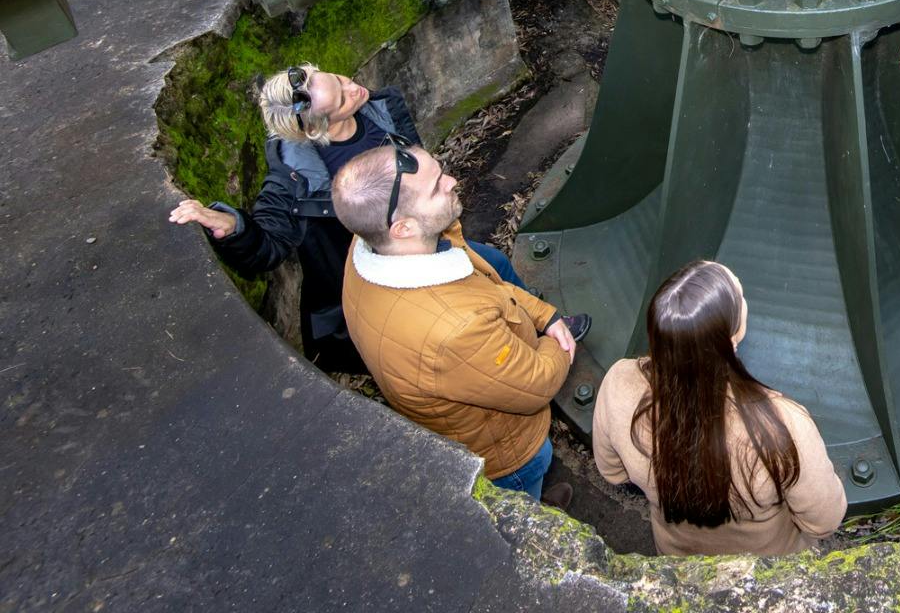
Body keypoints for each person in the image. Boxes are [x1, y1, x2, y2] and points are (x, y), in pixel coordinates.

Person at [166, 64, 563, 372]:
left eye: (339, 80)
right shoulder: (296, 178)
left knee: (492, 264)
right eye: (340, 100)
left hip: (426, 240)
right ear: (317, 129)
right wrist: (232, 226)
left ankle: (535, 318)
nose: (354, 89)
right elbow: (267, 246)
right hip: (383, 273)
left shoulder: (378, 111)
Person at [331, 145, 576, 505]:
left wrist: (543, 315)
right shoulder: (455, 330)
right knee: (523, 495)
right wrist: (560, 340)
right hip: (506, 454)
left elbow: (483, 286)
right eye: (436, 187)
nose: (452, 181)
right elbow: (537, 382)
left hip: (465, 421)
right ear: (402, 227)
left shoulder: (370, 246)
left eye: (440, 172)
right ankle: (533, 507)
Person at [591, 260, 847, 556]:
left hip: (675, 557)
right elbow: (824, 521)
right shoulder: (782, 427)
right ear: (732, 338)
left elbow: (613, 472)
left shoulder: (618, 386)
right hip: (766, 568)